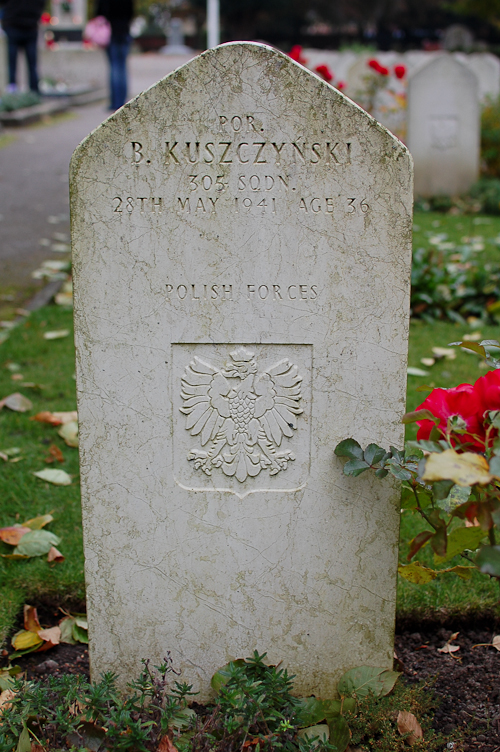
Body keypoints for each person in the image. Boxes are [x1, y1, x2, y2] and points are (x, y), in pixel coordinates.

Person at [96, 0, 134, 111]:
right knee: (122, 67)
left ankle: (115, 102)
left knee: (114, 67)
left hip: (110, 31)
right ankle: (122, 101)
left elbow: (100, 11)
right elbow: (130, 11)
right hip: (124, 30)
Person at [0, 0, 45, 93]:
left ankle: (17, 89)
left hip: (20, 25)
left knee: (15, 63)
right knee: (28, 63)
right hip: (23, 25)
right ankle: (32, 90)